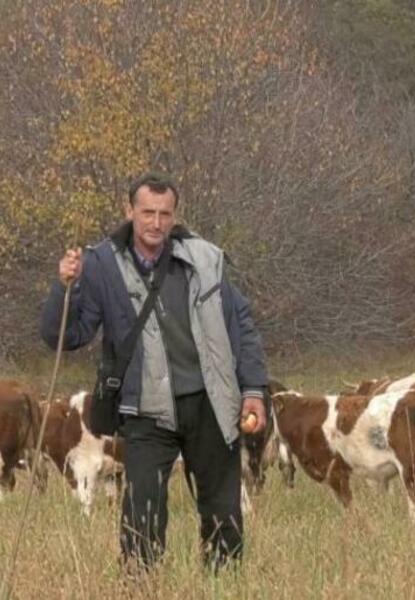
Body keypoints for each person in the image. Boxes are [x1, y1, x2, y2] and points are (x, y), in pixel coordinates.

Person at [41, 171, 269, 571]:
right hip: (146, 408)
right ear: (129, 211)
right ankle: (141, 586)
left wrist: (252, 389)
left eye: (165, 213)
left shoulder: (204, 258)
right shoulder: (103, 265)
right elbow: (67, 335)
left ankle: (224, 584)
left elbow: (242, 325)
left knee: (223, 512)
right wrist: (65, 287)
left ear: (175, 215)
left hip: (210, 401)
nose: (156, 222)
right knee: (141, 513)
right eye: (147, 212)